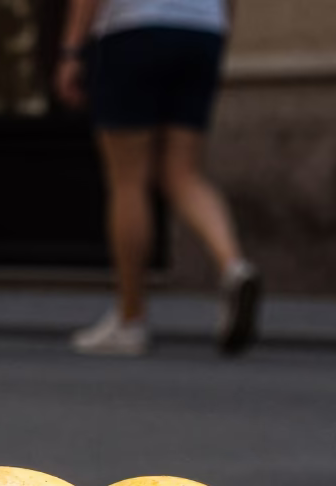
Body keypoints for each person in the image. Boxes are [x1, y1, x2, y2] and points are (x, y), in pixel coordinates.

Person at [56, 0, 259, 356]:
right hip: (202, 31)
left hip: (133, 29)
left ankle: (130, 318)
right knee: (183, 172)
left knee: (128, 180)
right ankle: (234, 265)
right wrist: (219, 34)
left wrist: (72, 49)